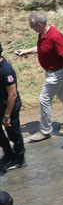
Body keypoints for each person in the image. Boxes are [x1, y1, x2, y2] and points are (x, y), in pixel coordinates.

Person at [14, 12, 63, 140]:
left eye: (32, 27)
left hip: (57, 73)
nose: (31, 29)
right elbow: (41, 48)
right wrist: (26, 51)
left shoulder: (55, 36)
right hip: (53, 72)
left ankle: (45, 131)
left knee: (44, 99)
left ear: (40, 25)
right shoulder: (43, 34)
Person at [0, 45, 25, 173]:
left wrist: (7, 115)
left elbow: (12, 95)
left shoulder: (6, 71)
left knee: (14, 134)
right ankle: (8, 154)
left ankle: (20, 159)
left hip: (9, 107)